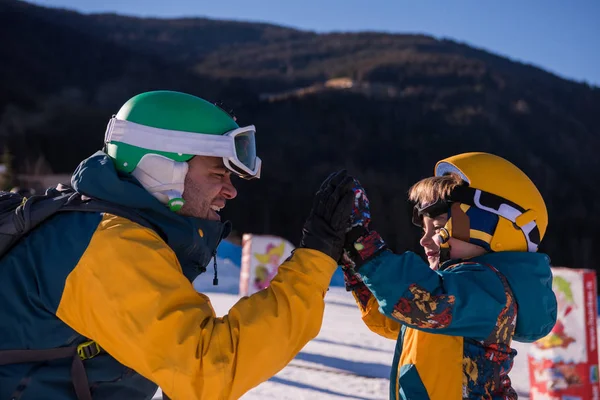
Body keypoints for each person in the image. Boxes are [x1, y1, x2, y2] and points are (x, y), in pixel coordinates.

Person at [0, 90, 356, 400]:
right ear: (161, 168)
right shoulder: (109, 245)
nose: (230, 191)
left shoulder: (112, 228)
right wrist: (316, 257)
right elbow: (207, 371)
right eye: (218, 174)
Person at [340, 152, 557, 400]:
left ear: (498, 225)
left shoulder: (491, 289)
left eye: (439, 226)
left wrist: (363, 245)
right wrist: (352, 262)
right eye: (424, 229)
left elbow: (424, 303)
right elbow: (396, 317)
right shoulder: (456, 291)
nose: (424, 240)